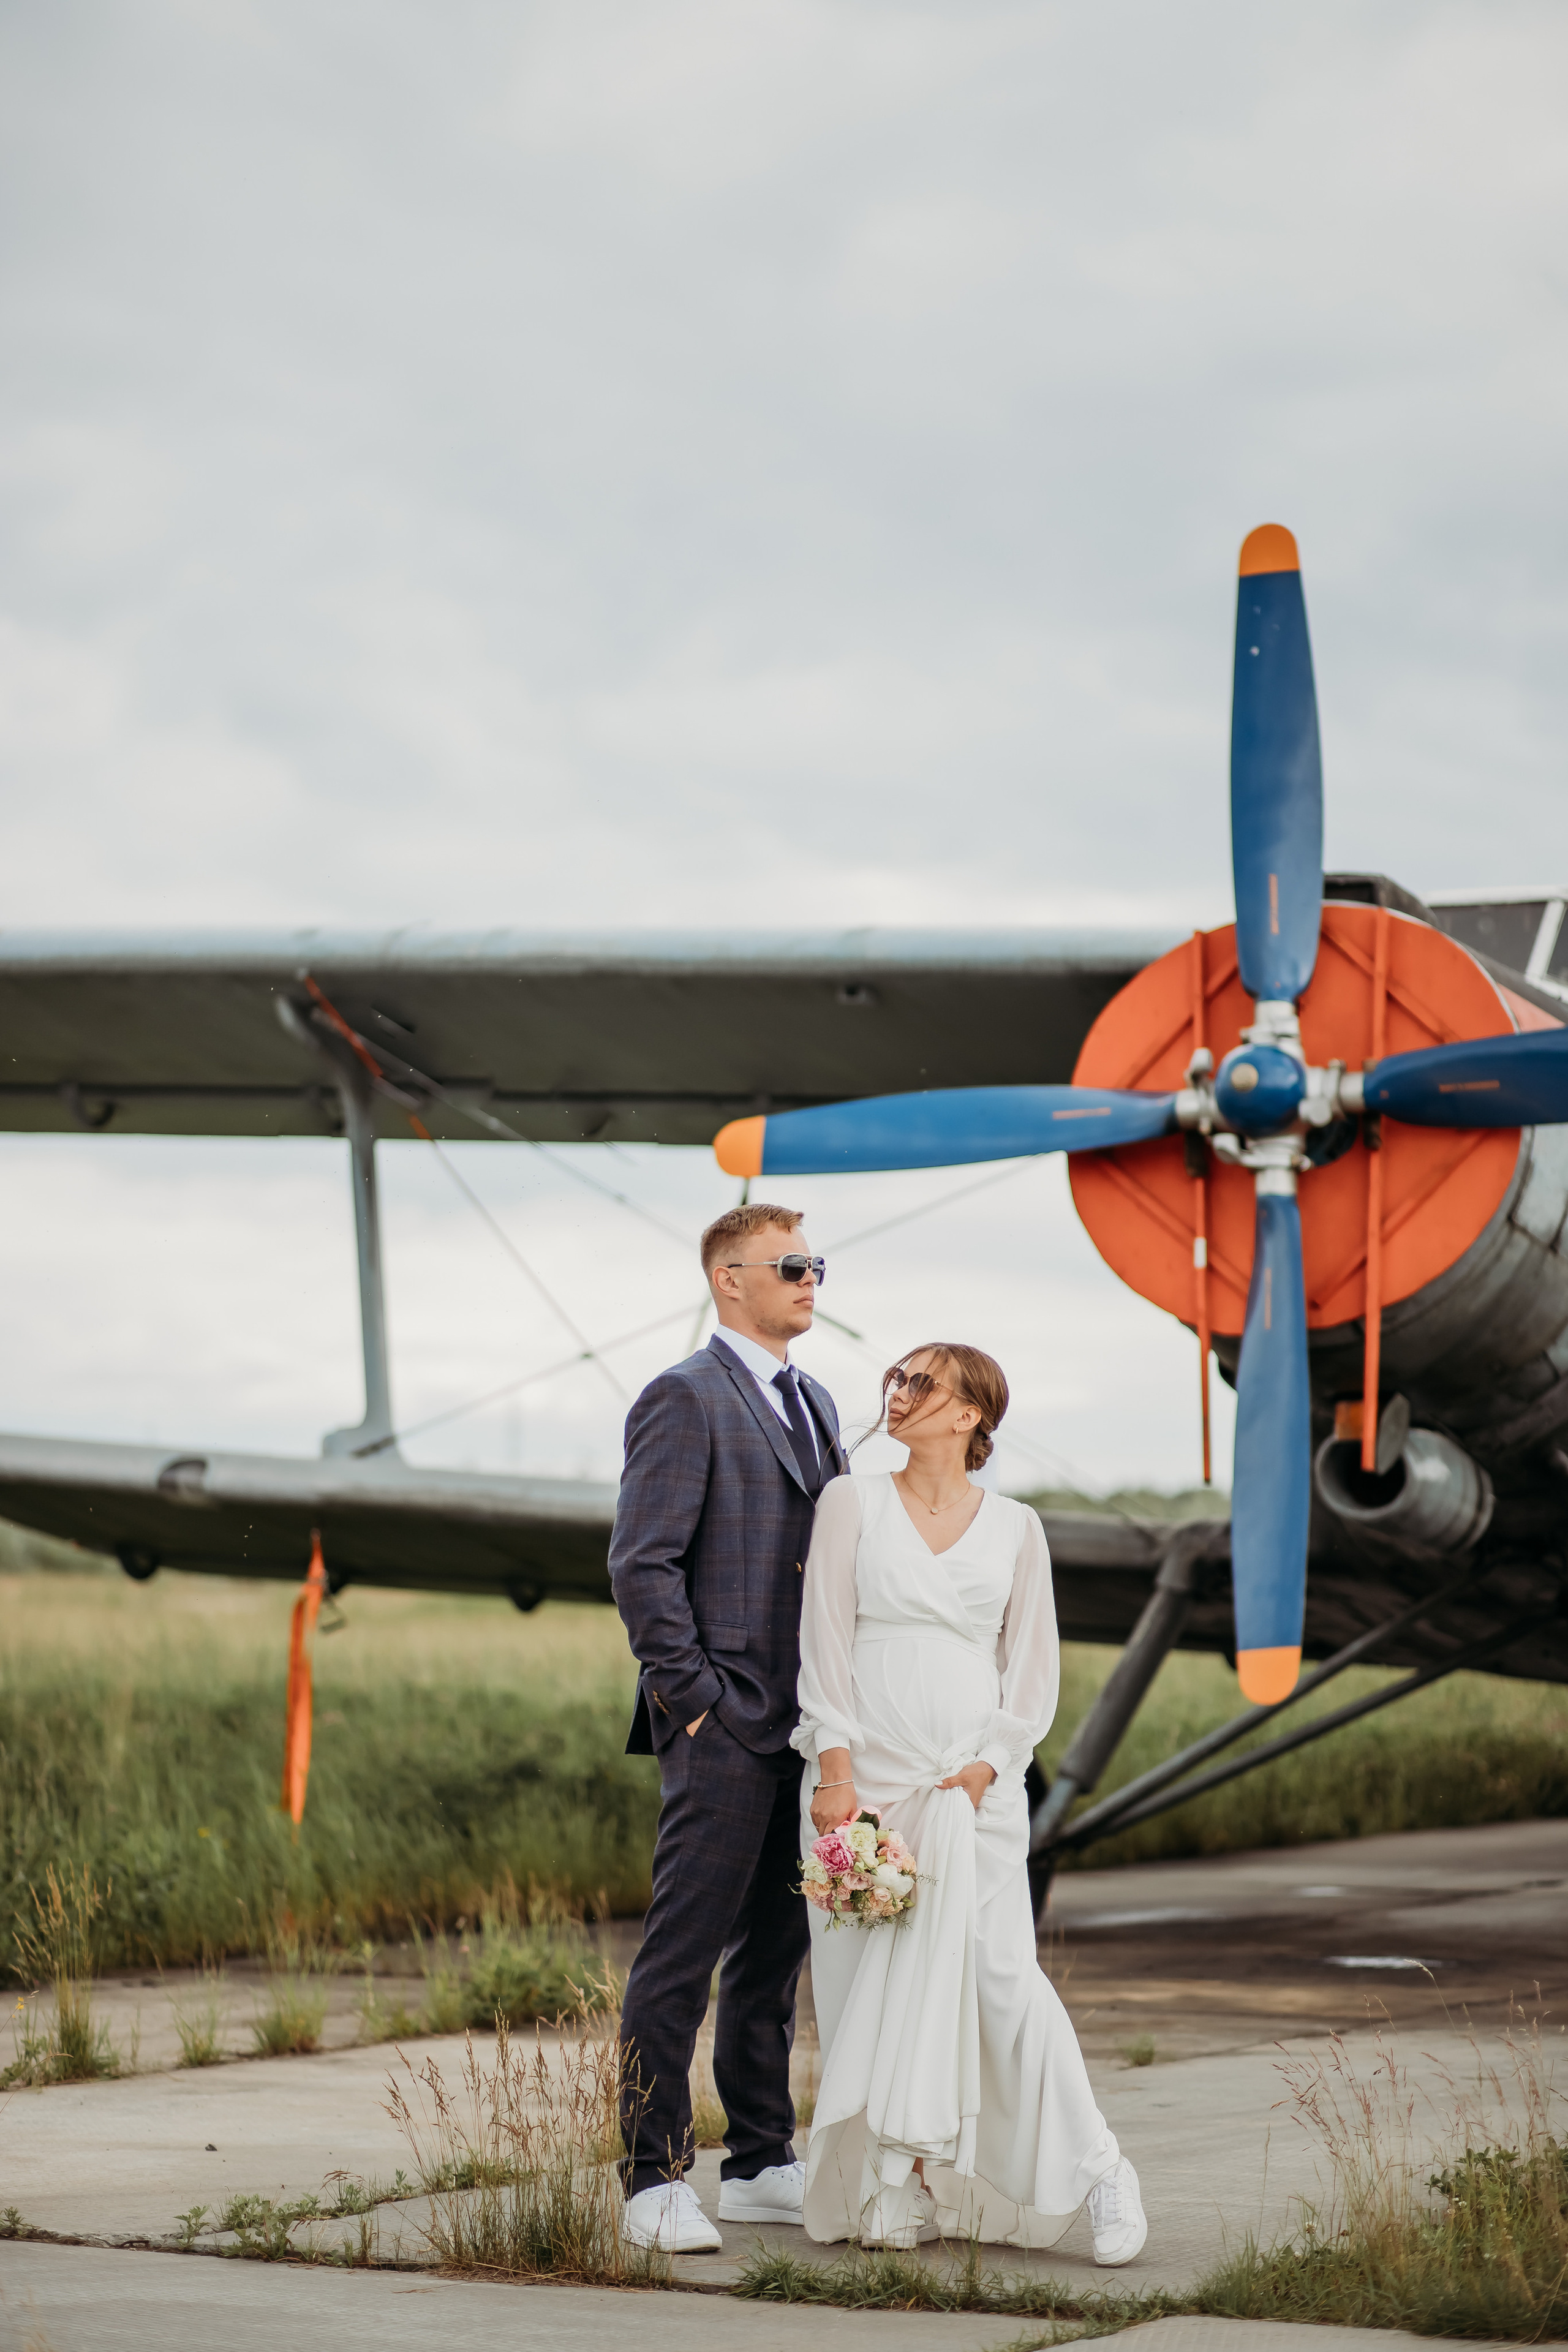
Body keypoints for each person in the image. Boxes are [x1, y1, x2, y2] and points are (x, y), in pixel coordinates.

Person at [796, 1343, 1147, 2264]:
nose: (899, 1395)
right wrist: (836, 1775)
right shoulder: (852, 1501)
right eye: (896, 1380)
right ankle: (898, 2180)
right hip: (863, 1787)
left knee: (1000, 1985)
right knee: (865, 1990)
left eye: (922, 1384)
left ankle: (1101, 2169)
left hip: (974, 1789)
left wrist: (993, 1764)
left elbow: (1031, 1672)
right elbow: (824, 1643)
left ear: (969, 1416)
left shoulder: (1017, 1526)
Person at [608, 1201, 847, 2253]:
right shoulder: (683, 1396)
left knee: (773, 1963)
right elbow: (642, 1564)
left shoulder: (819, 1401)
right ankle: (652, 2178)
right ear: (729, 1280)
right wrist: (694, 1701)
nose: (809, 1280)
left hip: (803, 1730)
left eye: (816, 1264)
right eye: (790, 1266)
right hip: (720, 1724)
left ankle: (759, 2161)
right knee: (682, 1957)